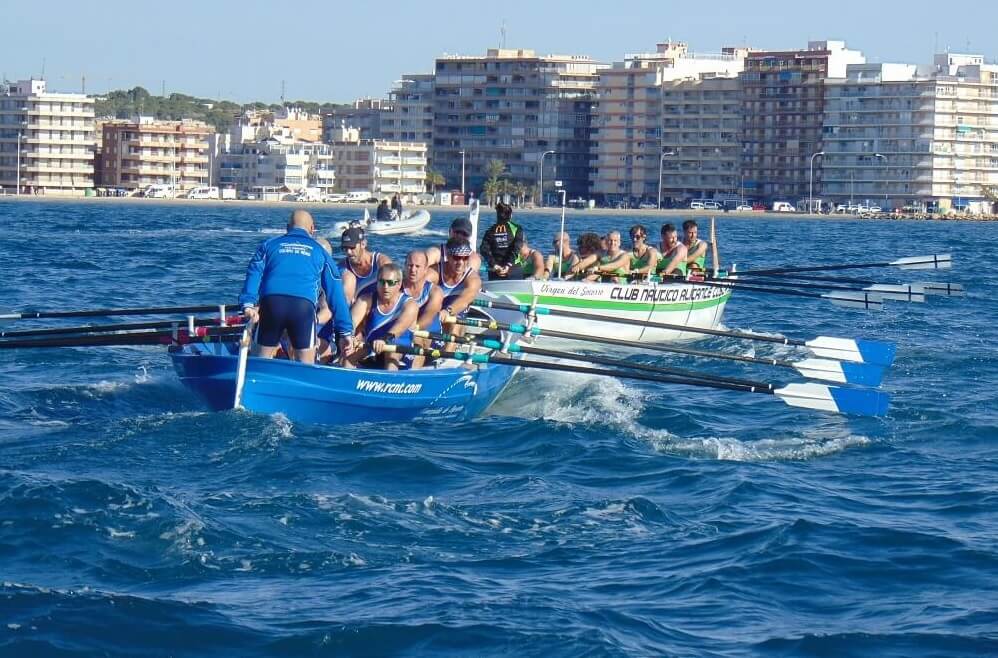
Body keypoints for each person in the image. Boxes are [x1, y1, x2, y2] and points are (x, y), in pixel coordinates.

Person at [239, 210, 353, 364]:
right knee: (305, 365)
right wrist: (345, 331)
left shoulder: (268, 245)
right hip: (303, 308)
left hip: (272, 305)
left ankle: (256, 380)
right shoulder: (321, 252)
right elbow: (335, 293)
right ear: (312, 229)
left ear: (287, 227)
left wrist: (248, 304)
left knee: (261, 361)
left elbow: (253, 272)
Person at [345, 262, 419, 371]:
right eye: (382, 282)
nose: (385, 287)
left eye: (390, 283)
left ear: (399, 284)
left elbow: (398, 329)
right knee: (347, 359)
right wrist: (350, 336)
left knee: (391, 356)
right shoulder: (366, 299)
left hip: (400, 349)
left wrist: (384, 340)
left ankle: (390, 383)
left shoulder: (410, 304)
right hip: (372, 346)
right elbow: (351, 322)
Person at [427, 237, 482, 348]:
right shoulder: (434, 272)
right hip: (435, 310)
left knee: (455, 323)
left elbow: (465, 300)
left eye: (465, 258)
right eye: (456, 258)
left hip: (454, 312)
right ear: (448, 256)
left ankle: (447, 357)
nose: (460, 263)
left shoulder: (473, 279)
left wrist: (447, 311)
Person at [401, 250, 444, 367]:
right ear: (404, 266)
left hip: (431, 338)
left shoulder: (435, 292)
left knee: (417, 338)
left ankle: (412, 376)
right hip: (403, 335)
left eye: (417, 266)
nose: (413, 270)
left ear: (425, 270)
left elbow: (427, 319)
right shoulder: (395, 287)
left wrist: (409, 333)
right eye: (410, 265)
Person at [339, 226, 392, 303]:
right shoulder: (342, 267)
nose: (348, 252)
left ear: (363, 244)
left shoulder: (381, 262)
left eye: (352, 247)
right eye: (345, 248)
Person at [480, 201, 524, 280]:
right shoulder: (517, 228)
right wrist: (508, 265)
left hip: (495, 270)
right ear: (510, 216)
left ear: (497, 216)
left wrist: (494, 265)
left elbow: (484, 249)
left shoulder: (490, 231)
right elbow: (516, 248)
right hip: (513, 269)